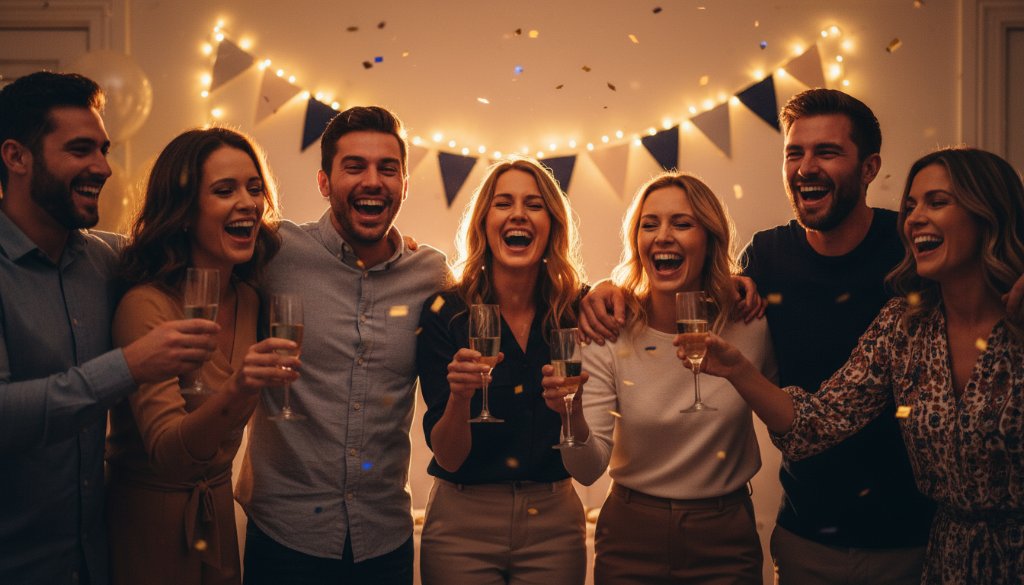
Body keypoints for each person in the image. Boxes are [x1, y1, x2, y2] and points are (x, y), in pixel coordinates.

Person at [580, 89, 941, 584]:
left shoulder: (913, 250)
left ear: (869, 167)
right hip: (807, 530)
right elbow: (696, 286)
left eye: (827, 152)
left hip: (911, 531)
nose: (806, 166)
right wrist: (603, 288)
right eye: (795, 152)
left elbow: (987, 251)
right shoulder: (768, 260)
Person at [697, 146, 1024, 584]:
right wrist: (737, 368)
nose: (914, 218)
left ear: (990, 214)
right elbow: (813, 425)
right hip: (946, 559)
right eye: (910, 206)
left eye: (938, 202)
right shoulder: (905, 326)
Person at [0, 71, 218, 585]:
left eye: (103, 149)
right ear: (15, 157)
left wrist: (377, 240)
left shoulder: (110, 259)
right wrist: (129, 366)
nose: (102, 167)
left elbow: (206, 233)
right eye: (80, 150)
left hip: (99, 561)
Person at [236, 106, 448, 585]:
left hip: (384, 542)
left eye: (387, 168)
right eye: (354, 166)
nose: (373, 181)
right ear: (324, 182)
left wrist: (596, 293)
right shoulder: (271, 253)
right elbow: (182, 248)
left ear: (405, 184)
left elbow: (507, 288)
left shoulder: (431, 273)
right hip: (283, 538)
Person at [546, 172, 776, 584]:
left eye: (682, 224)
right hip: (631, 535)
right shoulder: (607, 331)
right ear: (636, 241)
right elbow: (586, 469)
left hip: (725, 536)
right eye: (649, 225)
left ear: (710, 240)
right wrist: (571, 413)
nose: (663, 236)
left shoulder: (749, 324)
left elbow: (785, 415)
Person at [105, 127, 299, 585]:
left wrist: (395, 245)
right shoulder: (145, 305)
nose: (248, 203)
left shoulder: (251, 299)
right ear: (185, 212)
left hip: (218, 518)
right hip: (150, 524)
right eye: (224, 190)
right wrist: (241, 387)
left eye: (255, 188)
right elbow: (169, 453)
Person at [416, 158, 588, 585]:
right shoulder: (446, 314)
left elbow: (588, 458)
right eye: (502, 203)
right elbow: (449, 457)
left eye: (534, 204)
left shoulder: (578, 310)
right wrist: (459, 397)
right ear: (483, 222)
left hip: (555, 520)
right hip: (462, 523)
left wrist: (571, 407)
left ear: (552, 223)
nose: (518, 214)